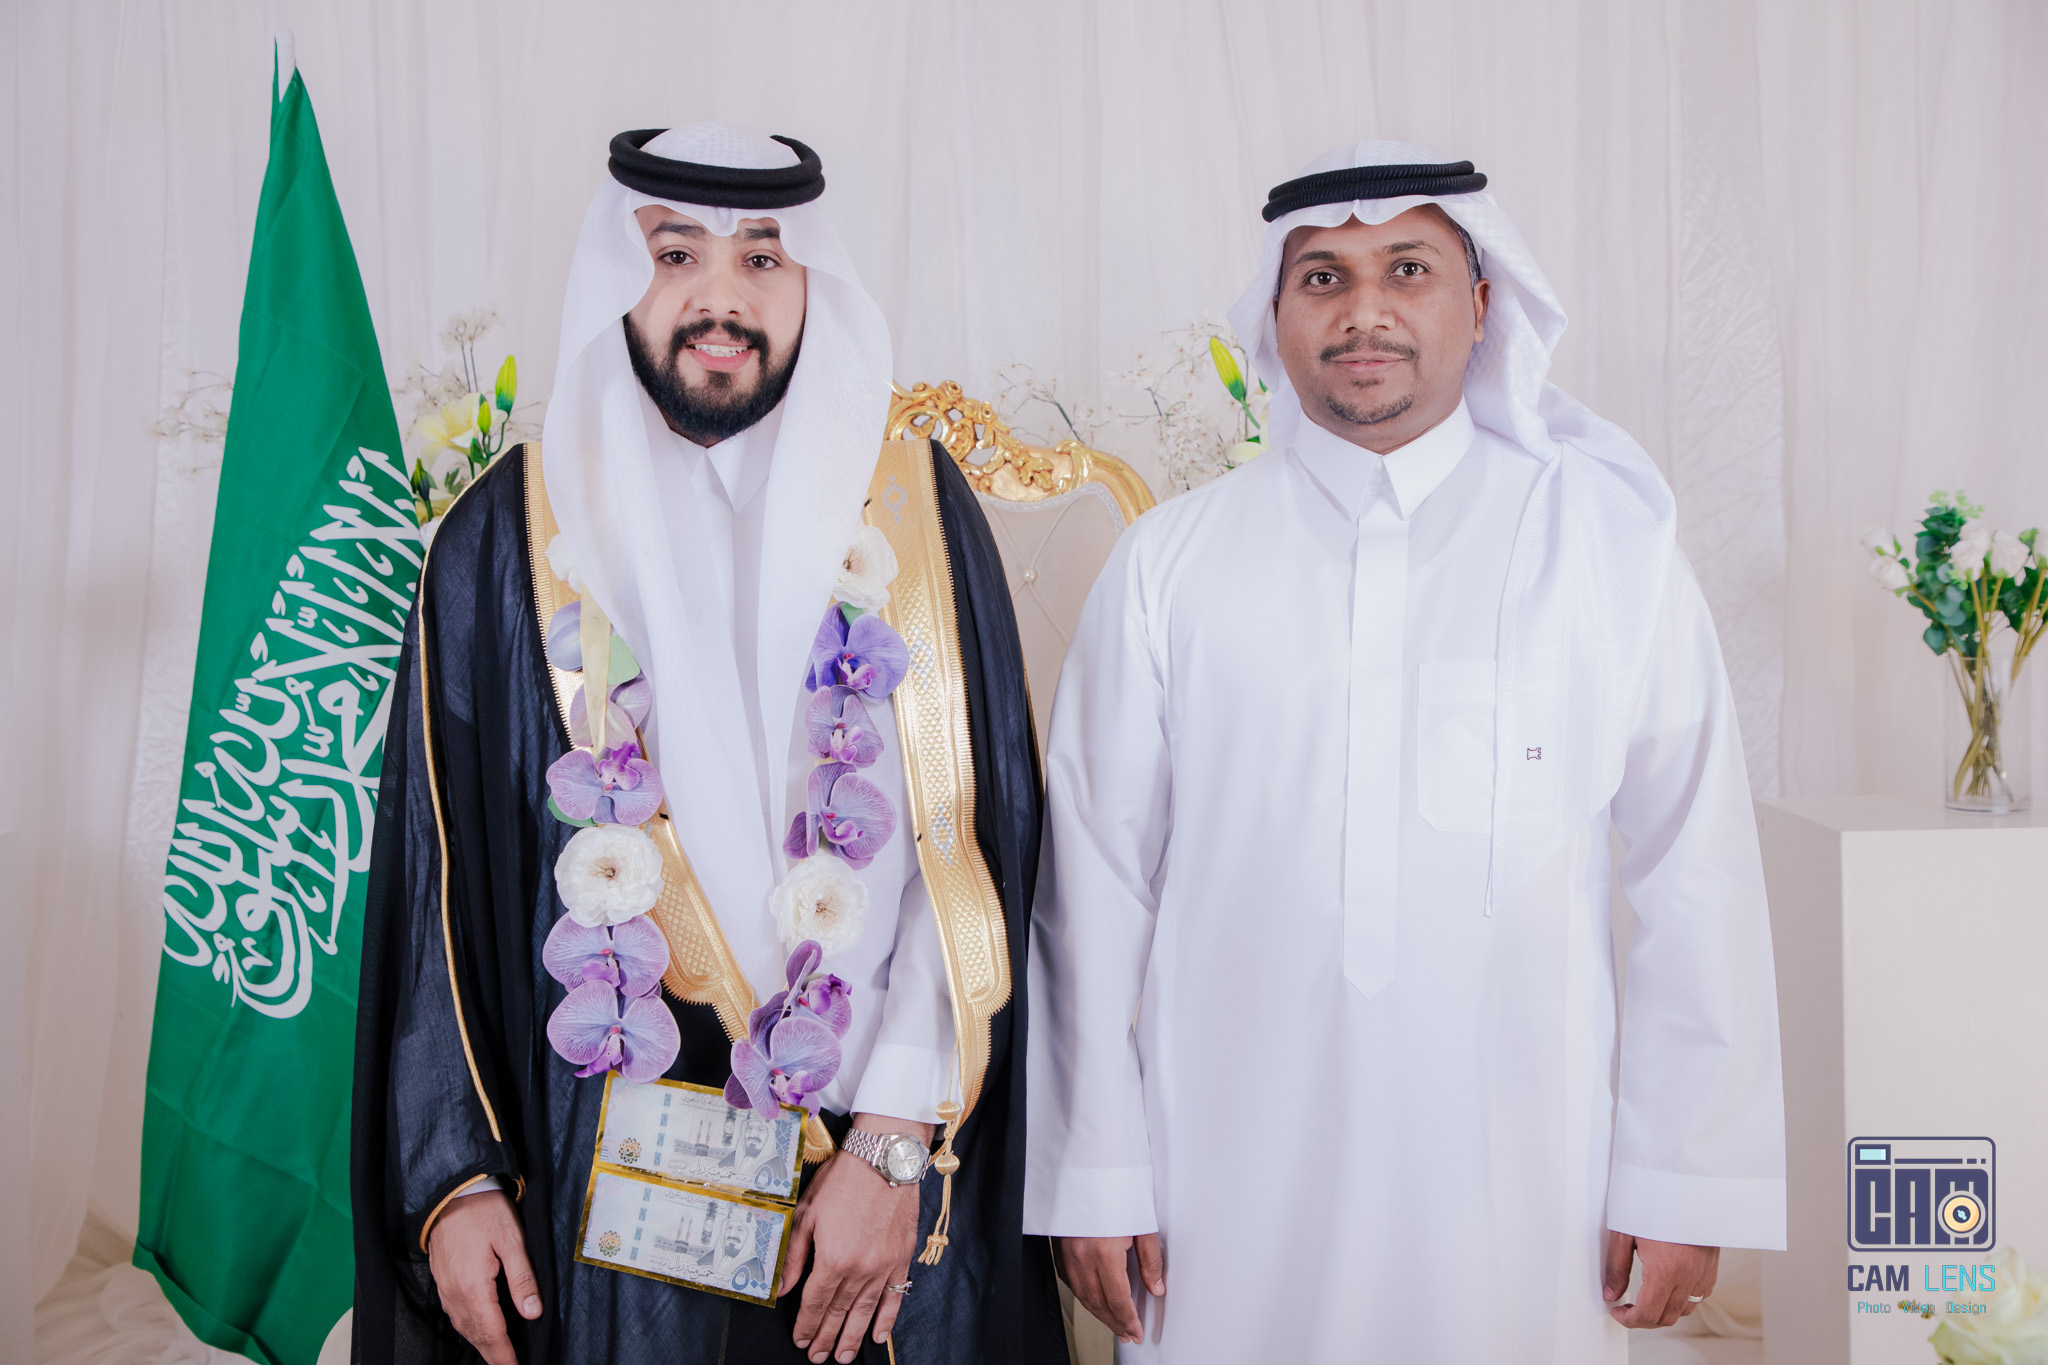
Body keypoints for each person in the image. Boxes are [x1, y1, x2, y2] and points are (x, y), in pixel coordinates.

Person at [1026, 142, 1786, 1362]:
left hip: (1523, 1182)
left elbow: (1692, 872)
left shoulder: (1603, 549)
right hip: (1221, 1179)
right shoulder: (1169, 562)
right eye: (1321, 277)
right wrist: (1096, 1170)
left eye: (1407, 268)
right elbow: (1093, 888)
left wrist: (1683, 1177)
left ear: (1481, 304)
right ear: (1273, 313)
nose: (1362, 311)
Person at [353, 123, 1063, 1365]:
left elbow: (979, 850)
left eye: (762, 260)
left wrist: (893, 1142)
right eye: (674, 255)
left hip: (890, 1182)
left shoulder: (913, 510)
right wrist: (453, 1180)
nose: (720, 300)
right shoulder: (504, 539)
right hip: (610, 1197)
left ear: (811, 285)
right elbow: (436, 886)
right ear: (614, 281)